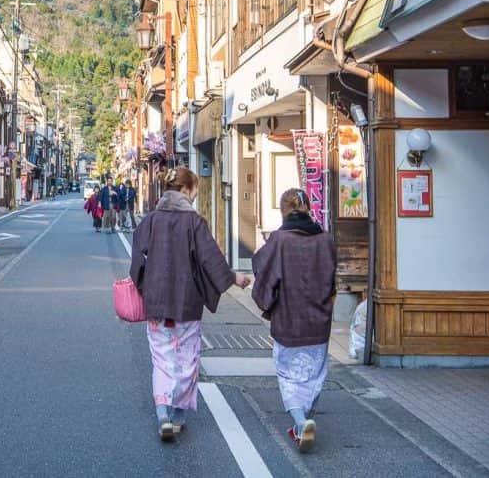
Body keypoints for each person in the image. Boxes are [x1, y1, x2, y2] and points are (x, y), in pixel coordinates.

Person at [130, 167, 250, 442]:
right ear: (185, 190)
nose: (196, 196)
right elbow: (210, 260)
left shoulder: (150, 221)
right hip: (187, 304)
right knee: (187, 361)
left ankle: (162, 415)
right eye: (195, 190)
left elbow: (137, 262)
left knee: (162, 360)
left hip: (157, 305)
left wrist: (145, 289)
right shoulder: (194, 222)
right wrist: (233, 278)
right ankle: (178, 416)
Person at [252, 188, 336, 455]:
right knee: (314, 375)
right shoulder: (325, 240)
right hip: (318, 320)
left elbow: (263, 271)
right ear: (308, 208)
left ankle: (300, 421)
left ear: (283, 210)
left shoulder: (279, 240)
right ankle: (304, 419)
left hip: (289, 319)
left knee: (289, 376)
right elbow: (333, 278)